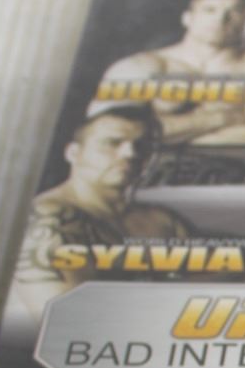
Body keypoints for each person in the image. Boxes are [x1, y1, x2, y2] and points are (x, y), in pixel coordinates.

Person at [11, 106, 190, 316]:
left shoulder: (162, 221)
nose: (131, 153)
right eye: (112, 143)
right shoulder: (48, 219)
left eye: (142, 145)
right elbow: (66, 319)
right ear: (73, 153)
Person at [94, 0, 245, 147]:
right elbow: (108, 132)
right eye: (210, 10)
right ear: (187, 18)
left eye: (235, 11)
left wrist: (158, 139)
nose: (221, 19)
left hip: (240, 178)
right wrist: (219, 119)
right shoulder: (140, 66)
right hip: (144, 177)